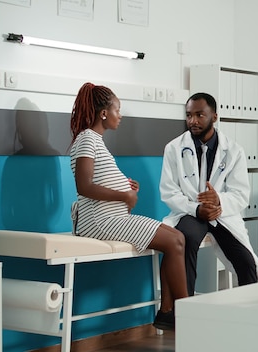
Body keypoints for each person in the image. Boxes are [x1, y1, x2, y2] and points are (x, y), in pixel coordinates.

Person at [69, 82, 188, 331]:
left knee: (177, 238)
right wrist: (123, 196)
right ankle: (185, 313)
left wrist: (125, 186)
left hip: (112, 219)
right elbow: (84, 186)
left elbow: (98, 180)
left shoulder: (96, 141)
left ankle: (168, 312)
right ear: (104, 113)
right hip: (99, 223)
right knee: (175, 241)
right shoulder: (87, 139)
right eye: (117, 110)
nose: (119, 115)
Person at [160, 92, 258, 295]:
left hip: (221, 215)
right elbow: (169, 191)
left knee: (246, 261)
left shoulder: (234, 151)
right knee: (186, 240)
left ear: (214, 117)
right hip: (190, 213)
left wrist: (218, 201)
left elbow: (241, 193)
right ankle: (183, 308)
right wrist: (197, 208)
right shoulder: (174, 148)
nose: (193, 121)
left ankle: (252, 314)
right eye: (189, 115)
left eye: (200, 115)